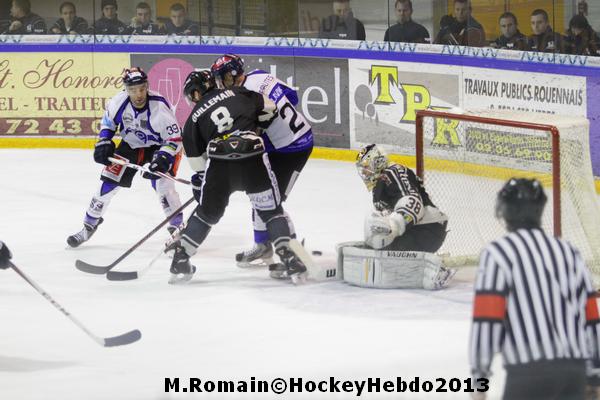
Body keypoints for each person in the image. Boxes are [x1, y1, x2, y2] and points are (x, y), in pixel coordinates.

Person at [171, 70, 309, 285]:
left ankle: (181, 258)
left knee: (205, 215)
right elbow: (270, 108)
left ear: (195, 93)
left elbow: (199, 168)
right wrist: (254, 125)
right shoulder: (239, 92)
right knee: (271, 212)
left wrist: (202, 190)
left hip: (219, 165)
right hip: (252, 157)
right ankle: (290, 257)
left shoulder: (192, 121)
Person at [469, 178, 600, 399]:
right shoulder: (568, 251)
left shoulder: (498, 253)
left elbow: (487, 320)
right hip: (573, 373)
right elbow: (591, 317)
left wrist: (479, 380)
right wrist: (595, 376)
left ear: (504, 212)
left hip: (527, 373)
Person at [210, 54, 313, 269]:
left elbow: (254, 131)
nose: (221, 83)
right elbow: (291, 97)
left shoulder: (243, 97)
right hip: (292, 140)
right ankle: (262, 244)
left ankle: (295, 253)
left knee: (270, 201)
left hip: (292, 148)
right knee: (259, 194)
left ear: (236, 74)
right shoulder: (260, 75)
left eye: (224, 78)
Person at [67, 67, 184, 248]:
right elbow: (108, 123)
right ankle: (89, 225)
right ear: (126, 89)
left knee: (164, 187)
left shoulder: (159, 106)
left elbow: (175, 138)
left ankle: (177, 227)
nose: (138, 94)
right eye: (133, 90)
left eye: (142, 89)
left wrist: (163, 157)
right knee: (107, 184)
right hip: (131, 145)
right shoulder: (118, 102)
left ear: (147, 87)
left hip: (160, 148)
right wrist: (104, 141)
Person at [336, 144, 454, 290]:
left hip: (427, 228)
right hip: (417, 230)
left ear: (377, 162)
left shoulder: (393, 171)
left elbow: (413, 203)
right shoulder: (380, 185)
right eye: (363, 170)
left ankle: (437, 268)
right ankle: (431, 264)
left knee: (387, 257)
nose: (365, 174)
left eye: (367, 167)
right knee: (380, 250)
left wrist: (394, 225)